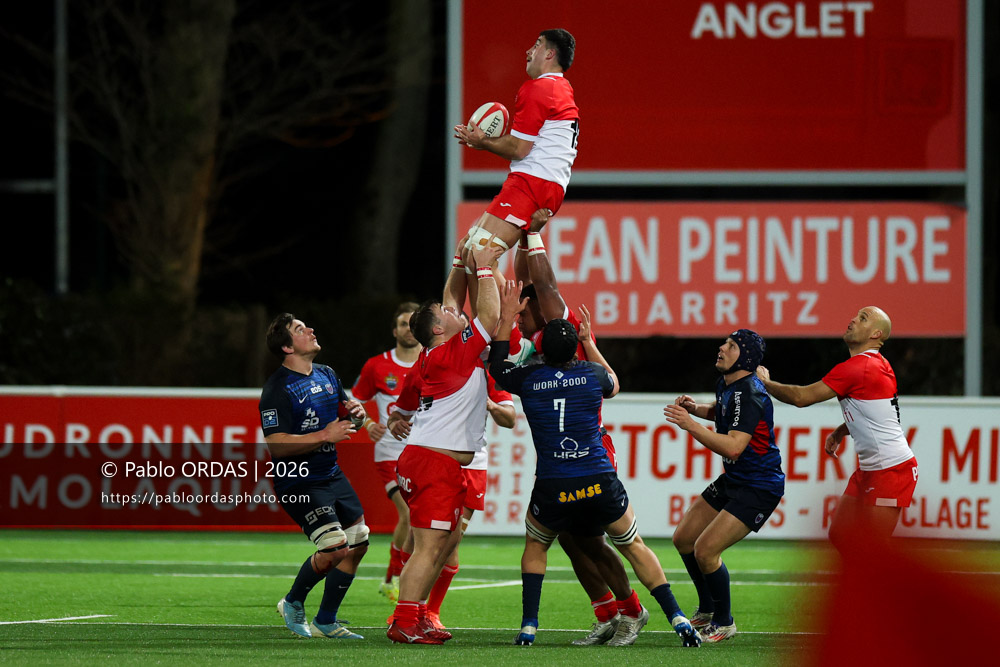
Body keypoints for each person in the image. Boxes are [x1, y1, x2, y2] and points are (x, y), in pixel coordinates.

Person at [489, 282, 701, 648]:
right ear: (576, 349)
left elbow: (497, 367)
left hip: (555, 483)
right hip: (597, 478)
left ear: (541, 350)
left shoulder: (528, 379)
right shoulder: (591, 377)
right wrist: (591, 342)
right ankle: (676, 617)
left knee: (541, 544)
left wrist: (506, 319)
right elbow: (613, 383)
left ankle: (529, 626)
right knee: (627, 544)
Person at [509, 209, 631, 646]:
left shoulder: (554, 327)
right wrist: (522, 241)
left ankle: (631, 610)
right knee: (569, 539)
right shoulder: (536, 336)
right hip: (567, 455)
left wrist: (535, 235)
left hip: (588, 452)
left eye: (522, 316)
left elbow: (544, 286)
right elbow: (525, 281)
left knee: (594, 542)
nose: (517, 324)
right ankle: (608, 613)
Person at [382, 241, 503, 645]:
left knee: (437, 546)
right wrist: (483, 268)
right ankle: (404, 622)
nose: (457, 312)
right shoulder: (453, 353)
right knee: (429, 549)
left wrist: (458, 261)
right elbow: (489, 314)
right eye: (449, 315)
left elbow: (451, 299)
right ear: (438, 329)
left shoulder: (435, 355)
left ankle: (414, 616)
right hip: (433, 464)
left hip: (432, 461)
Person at [755, 306, 917, 553]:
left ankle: (904, 590)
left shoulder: (858, 368)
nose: (853, 319)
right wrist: (843, 430)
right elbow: (879, 415)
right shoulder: (879, 364)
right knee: (841, 534)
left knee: (875, 552)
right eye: (856, 315)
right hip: (872, 469)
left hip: (891, 470)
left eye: (862, 319)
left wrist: (765, 383)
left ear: (875, 334)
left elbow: (801, 397)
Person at [663, 329, 785, 643]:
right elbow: (722, 412)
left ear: (743, 357)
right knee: (684, 539)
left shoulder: (751, 392)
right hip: (735, 480)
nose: (722, 347)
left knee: (705, 550)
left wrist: (690, 425)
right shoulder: (728, 383)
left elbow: (733, 447)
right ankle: (706, 608)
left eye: (731, 346)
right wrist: (696, 410)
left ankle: (724, 621)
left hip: (759, 486)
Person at [258, 313, 371, 640]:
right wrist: (324, 434)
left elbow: (344, 419)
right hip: (298, 479)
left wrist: (357, 415)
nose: (310, 330)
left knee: (359, 541)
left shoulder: (327, 374)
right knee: (335, 547)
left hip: (330, 473)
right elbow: (276, 445)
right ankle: (292, 602)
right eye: (299, 329)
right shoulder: (277, 388)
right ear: (286, 346)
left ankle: (326, 620)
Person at [453, 29, 579, 313]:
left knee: (480, 253)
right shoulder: (560, 87)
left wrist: (482, 141)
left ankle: (497, 338)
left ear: (550, 54)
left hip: (533, 181)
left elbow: (519, 148)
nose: (528, 51)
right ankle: (496, 330)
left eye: (536, 45)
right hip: (541, 182)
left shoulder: (539, 88)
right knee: (470, 248)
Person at [351, 301, 421, 603]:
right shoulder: (377, 365)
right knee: (409, 513)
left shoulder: (434, 362)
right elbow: (353, 401)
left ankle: (393, 577)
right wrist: (367, 423)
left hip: (425, 453)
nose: (408, 328)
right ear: (395, 330)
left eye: (413, 323)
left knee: (418, 519)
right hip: (390, 453)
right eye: (403, 323)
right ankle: (398, 579)